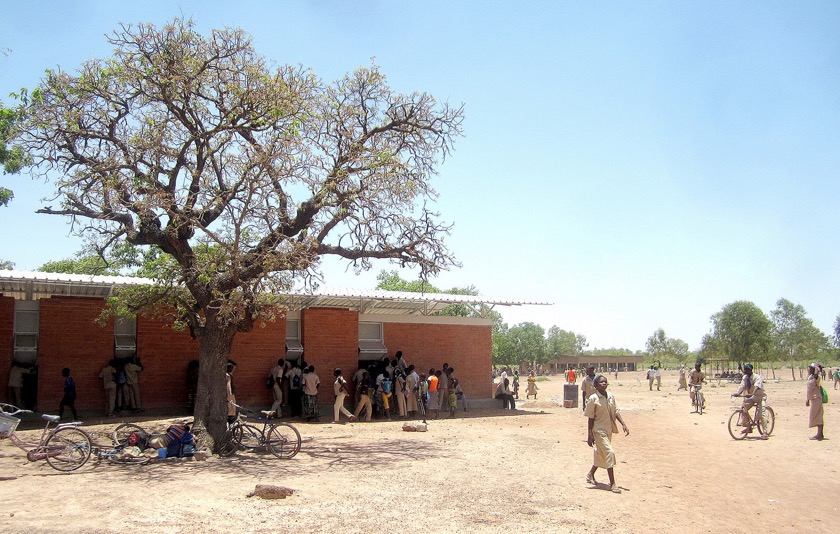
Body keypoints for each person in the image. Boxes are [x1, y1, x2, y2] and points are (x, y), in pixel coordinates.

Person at [584, 375, 629, 494]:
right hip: (598, 430)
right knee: (609, 452)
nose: (603, 384)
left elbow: (616, 411)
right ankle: (613, 483)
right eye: (601, 382)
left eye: (605, 382)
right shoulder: (593, 399)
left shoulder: (611, 396)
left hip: (608, 429)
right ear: (596, 385)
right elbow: (590, 418)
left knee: (601, 453)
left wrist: (623, 424)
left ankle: (590, 474)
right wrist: (589, 435)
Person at [731, 364, 766, 436]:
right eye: (745, 370)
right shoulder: (745, 378)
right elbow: (742, 386)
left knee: (761, 414)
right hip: (752, 398)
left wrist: (752, 393)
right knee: (743, 409)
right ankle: (748, 427)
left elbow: (757, 387)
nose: (746, 371)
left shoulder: (757, 377)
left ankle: (764, 432)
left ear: (751, 370)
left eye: (748, 370)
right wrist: (738, 393)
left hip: (760, 397)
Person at [806, 363, 825, 441]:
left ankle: (819, 435)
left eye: (810, 368)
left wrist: (807, 399)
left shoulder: (816, 377)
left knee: (817, 415)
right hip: (814, 399)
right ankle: (820, 434)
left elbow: (811, 389)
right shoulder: (811, 377)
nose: (808, 370)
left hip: (816, 398)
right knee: (817, 415)